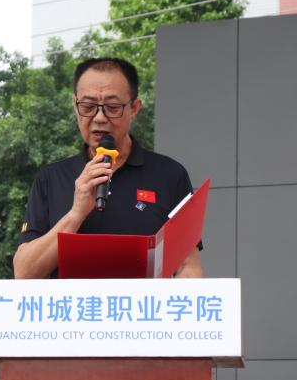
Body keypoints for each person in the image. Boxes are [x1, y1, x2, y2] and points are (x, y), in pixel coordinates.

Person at [13, 57, 203, 279]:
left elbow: (189, 267)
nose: (100, 118)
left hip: (143, 302)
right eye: (88, 106)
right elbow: (24, 273)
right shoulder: (50, 179)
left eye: (112, 108)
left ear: (134, 108)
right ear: (75, 106)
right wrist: (76, 214)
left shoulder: (170, 175)